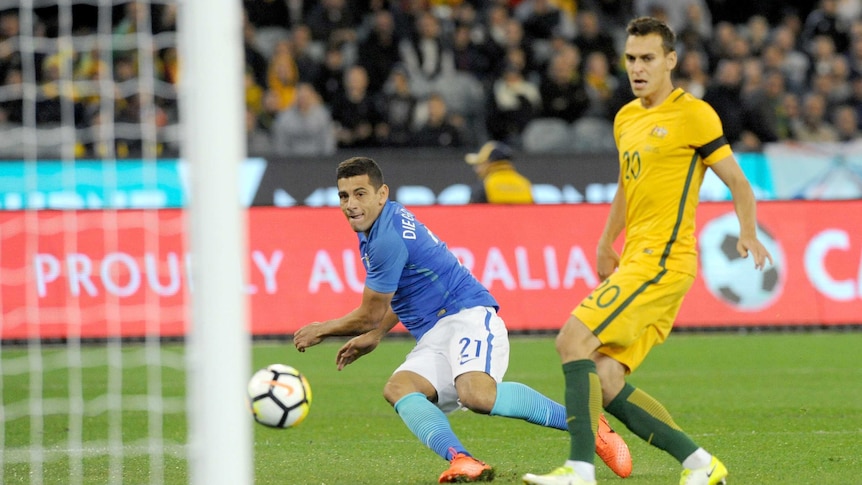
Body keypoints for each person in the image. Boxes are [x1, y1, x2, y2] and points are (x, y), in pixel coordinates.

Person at [523, 17, 773, 485]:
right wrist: (604, 241)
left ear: (670, 61)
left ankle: (579, 470)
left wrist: (748, 231)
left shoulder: (694, 115)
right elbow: (627, 186)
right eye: (631, 58)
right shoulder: (625, 118)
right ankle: (701, 464)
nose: (637, 68)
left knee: (571, 340)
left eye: (648, 59)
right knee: (605, 374)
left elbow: (738, 181)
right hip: (637, 259)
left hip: (664, 261)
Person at [293, 157, 632, 483]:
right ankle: (462, 459)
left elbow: (369, 313)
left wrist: (322, 329)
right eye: (344, 196)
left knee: (477, 396)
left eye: (360, 194)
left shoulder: (385, 239)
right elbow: (404, 292)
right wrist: (379, 334)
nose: (351, 204)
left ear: (383, 194)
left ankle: (588, 424)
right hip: (436, 331)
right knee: (398, 388)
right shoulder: (384, 224)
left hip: (467, 315)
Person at [466, 141, 534, 204]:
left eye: (479, 164)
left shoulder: (484, 186)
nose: (476, 169)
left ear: (488, 163)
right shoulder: (525, 184)